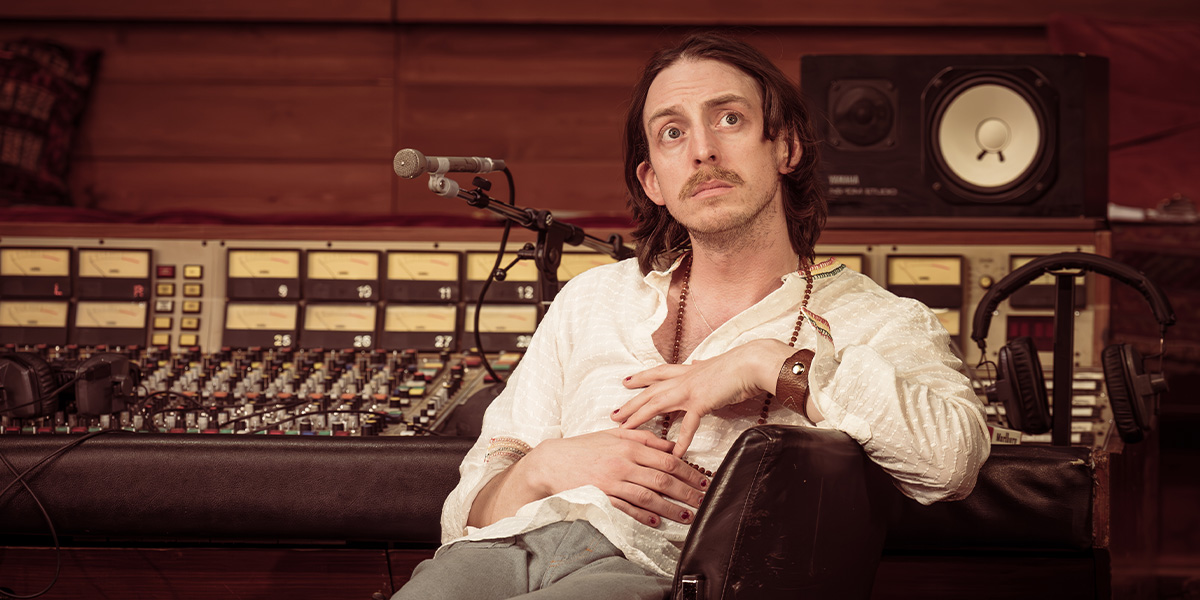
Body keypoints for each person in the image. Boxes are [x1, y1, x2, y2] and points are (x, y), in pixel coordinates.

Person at [392, 31, 990, 600]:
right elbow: (464, 508)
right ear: (653, 180)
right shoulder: (593, 297)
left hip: (664, 572)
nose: (703, 149)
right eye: (672, 132)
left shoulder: (877, 319)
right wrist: (542, 468)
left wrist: (773, 364)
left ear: (785, 146)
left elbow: (953, 462)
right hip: (496, 555)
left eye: (729, 119)